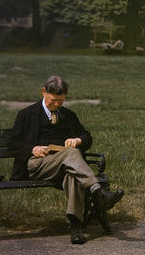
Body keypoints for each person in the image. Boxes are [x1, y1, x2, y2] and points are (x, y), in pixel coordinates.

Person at [8, 75, 124, 244]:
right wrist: (32, 149)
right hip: (39, 163)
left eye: (61, 102)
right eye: (53, 101)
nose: (57, 105)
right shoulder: (27, 114)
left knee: (74, 176)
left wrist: (79, 140)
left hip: (67, 165)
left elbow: (87, 136)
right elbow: (12, 144)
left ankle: (76, 228)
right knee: (72, 154)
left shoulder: (68, 115)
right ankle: (99, 192)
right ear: (43, 92)